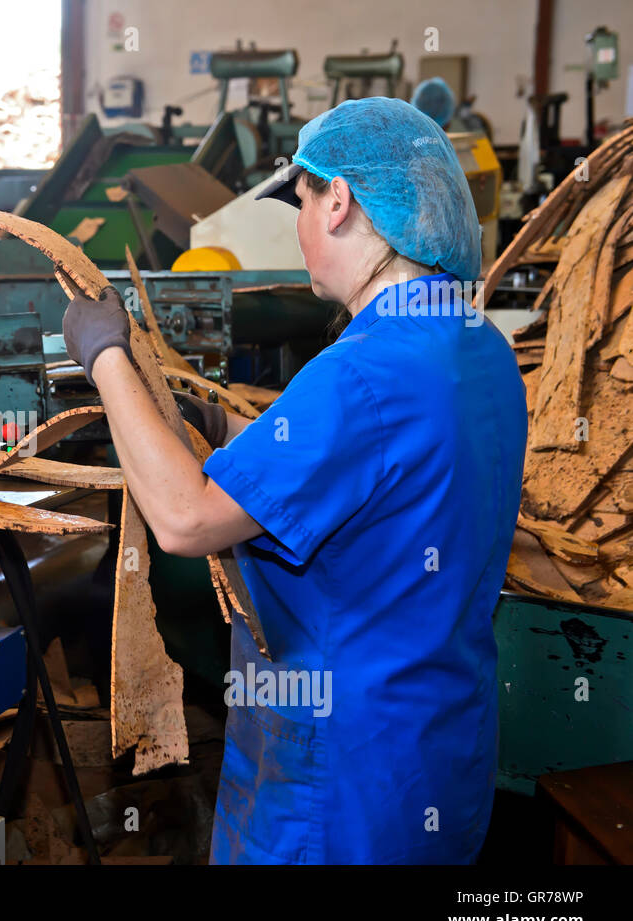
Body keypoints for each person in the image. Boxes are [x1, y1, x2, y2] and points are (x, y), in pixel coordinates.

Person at [61, 97, 526, 864]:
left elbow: (184, 520)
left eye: (302, 202)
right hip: (435, 750)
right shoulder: (480, 351)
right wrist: (220, 433)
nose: (300, 227)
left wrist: (106, 355)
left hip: (335, 786)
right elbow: (361, 474)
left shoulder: (363, 373)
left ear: (338, 201)